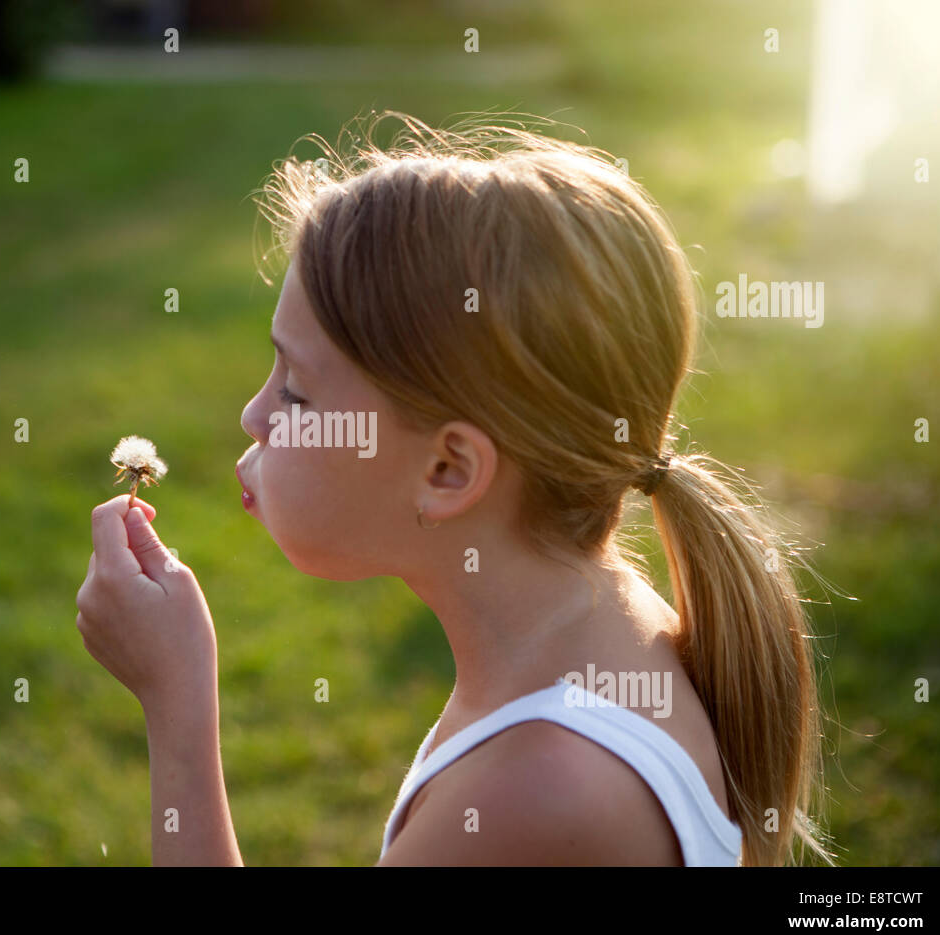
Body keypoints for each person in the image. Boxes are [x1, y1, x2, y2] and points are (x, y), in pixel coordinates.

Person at [75, 111, 835, 866]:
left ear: (448, 472)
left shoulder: (532, 796)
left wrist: (176, 704)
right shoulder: (608, 633)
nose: (253, 414)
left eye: (296, 392)